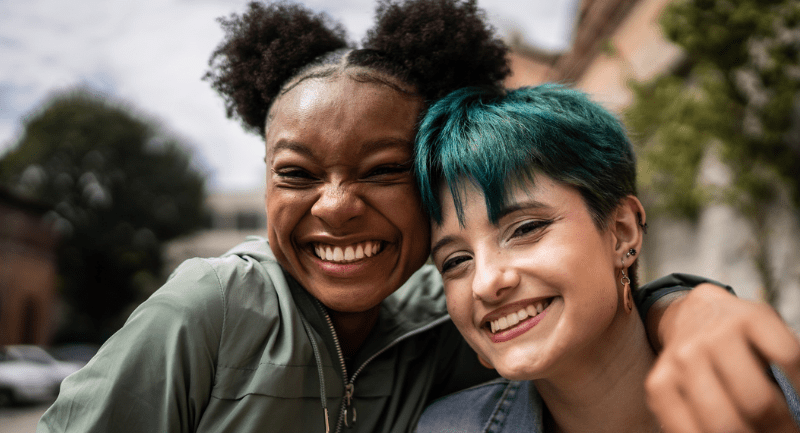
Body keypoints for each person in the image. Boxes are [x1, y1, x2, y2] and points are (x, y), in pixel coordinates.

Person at [35, 1, 799, 432]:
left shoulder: (445, 318)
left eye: (382, 170)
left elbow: (592, 311)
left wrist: (691, 306)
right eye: (297, 173)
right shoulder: (214, 306)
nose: (336, 204)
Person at [412, 84, 800, 433]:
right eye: (455, 261)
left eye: (526, 228)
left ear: (622, 232)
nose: (485, 283)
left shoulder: (778, 391)